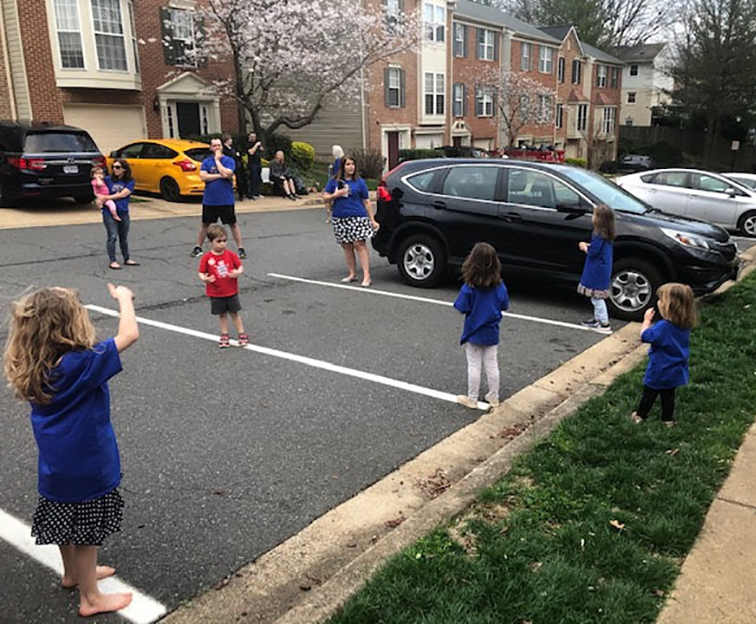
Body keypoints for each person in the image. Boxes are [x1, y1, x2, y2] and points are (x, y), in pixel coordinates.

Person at [3, 283, 138, 617]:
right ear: (69, 325)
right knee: (86, 531)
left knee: (65, 521)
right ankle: (90, 597)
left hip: (55, 468)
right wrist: (124, 298)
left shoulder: (35, 367)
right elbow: (129, 334)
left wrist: (59, 298)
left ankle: (73, 574)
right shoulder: (80, 364)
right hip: (87, 466)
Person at [453, 242, 510, 409]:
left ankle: (472, 398)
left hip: (473, 332)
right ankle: (494, 396)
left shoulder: (469, 288)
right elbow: (504, 305)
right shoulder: (500, 286)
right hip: (492, 331)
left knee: (474, 365)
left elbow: (461, 307)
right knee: (492, 364)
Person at [632, 283, 697, 427]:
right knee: (668, 395)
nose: (658, 302)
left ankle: (640, 415)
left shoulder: (663, 327)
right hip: (676, 368)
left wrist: (646, 321)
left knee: (649, 393)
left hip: (659, 368)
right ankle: (668, 419)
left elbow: (645, 336)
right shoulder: (684, 325)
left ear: (669, 306)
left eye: (661, 300)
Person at [323, 155, 379, 287]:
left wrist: (372, 220)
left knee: (359, 245)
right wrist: (335, 195)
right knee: (347, 246)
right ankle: (352, 273)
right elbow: (325, 198)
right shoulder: (334, 182)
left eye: (352, 164)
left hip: (357, 217)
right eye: (348, 164)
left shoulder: (359, 182)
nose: (351, 167)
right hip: (340, 217)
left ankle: (366, 276)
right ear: (342, 167)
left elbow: (366, 201)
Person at [191, 137, 247, 260]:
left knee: (232, 224)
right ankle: (198, 247)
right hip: (210, 199)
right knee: (205, 224)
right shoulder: (206, 162)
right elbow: (203, 177)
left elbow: (227, 173)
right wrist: (219, 175)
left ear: (222, 147)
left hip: (225, 199)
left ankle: (240, 248)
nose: (217, 148)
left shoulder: (229, 161)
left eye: (219, 145)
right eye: (214, 146)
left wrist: (217, 161)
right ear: (211, 148)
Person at [198, 224, 249, 348]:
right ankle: (224, 334)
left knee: (234, 313)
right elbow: (201, 272)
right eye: (219, 241)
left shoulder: (230, 255)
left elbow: (240, 267)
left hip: (231, 291)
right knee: (222, 314)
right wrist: (205, 279)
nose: (222, 244)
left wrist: (237, 272)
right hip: (216, 292)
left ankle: (241, 333)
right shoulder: (207, 258)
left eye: (225, 241)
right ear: (210, 242)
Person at [578, 204, 616, 333]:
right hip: (602, 268)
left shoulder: (598, 234)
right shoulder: (607, 235)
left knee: (596, 297)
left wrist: (584, 246)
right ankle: (597, 319)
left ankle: (604, 323)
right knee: (596, 296)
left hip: (596, 270)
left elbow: (593, 252)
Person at [102, 159, 139, 270]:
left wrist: (107, 197)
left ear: (124, 169)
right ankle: (112, 261)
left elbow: (123, 194)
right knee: (112, 236)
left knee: (123, 237)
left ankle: (126, 258)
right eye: (113, 167)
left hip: (123, 212)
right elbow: (99, 189)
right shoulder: (108, 180)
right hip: (109, 212)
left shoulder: (130, 181)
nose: (115, 169)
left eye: (118, 167)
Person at [222, 134, 247, 202]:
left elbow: (237, 155)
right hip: (228, 166)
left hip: (236, 165)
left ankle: (241, 195)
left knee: (240, 180)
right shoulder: (224, 149)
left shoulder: (233, 148)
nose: (231, 140)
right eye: (230, 139)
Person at [325, 145, 344, 223]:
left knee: (328, 197)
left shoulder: (338, 161)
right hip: (337, 180)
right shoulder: (341, 160)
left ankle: (329, 215)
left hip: (335, 181)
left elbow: (335, 173)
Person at [246, 131, 264, 200]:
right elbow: (251, 152)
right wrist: (256, 145)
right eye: (252, 137)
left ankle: (257, 192)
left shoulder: (257, 143)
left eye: (254, 137)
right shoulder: (248, 144)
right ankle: (251, 193)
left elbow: (261, 150)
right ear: (249, 137)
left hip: (258, 162)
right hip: (252, 164)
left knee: (258, 178)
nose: (254, 138)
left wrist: (260, 148)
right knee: (253, 178)